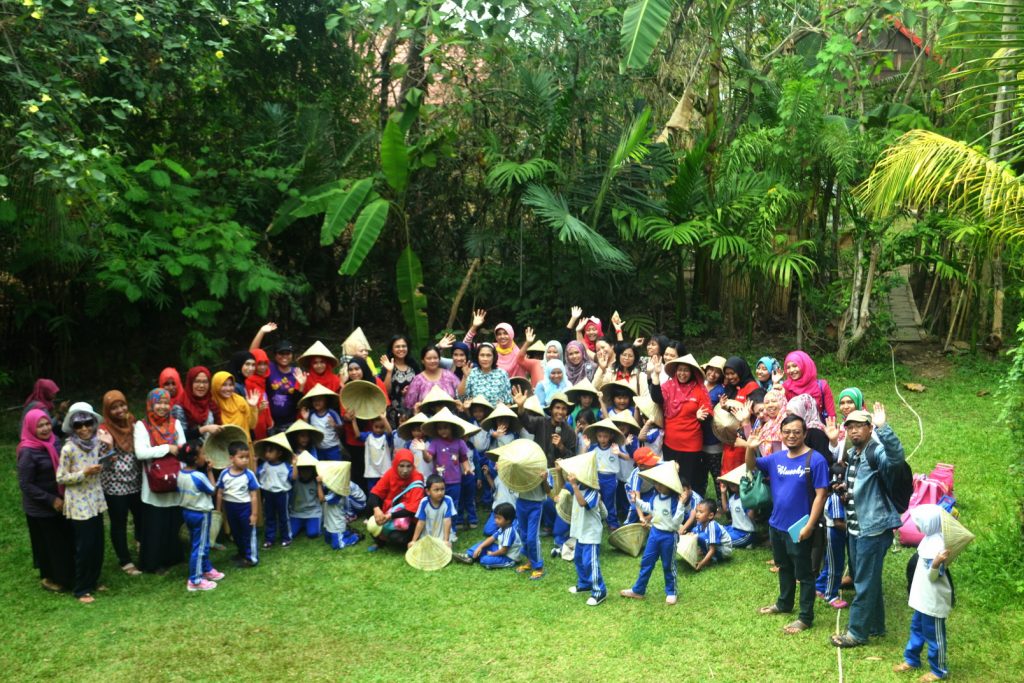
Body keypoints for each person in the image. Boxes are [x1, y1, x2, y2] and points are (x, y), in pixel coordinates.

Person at [746, 414, 829, 635]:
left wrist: (809, 526)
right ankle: (784, 603)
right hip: (776, 524)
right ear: (781, 434)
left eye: (796, 432)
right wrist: (749, 447)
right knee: (784, 566)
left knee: (804, 573)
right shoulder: (776, 458)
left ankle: (805, 617)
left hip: (799, 527)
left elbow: (821, 495)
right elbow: (752, 465)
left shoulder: (816, 460)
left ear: (804, 434)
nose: (791, 436)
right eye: (787, 432)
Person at [831, 403, 906, 649]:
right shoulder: (854, 455)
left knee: (863, 581)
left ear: (869, 428)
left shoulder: (877, 451)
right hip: (855, 528)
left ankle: (857, 633)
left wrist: (885, 428)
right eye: (849, 427)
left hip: (872, 529)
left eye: (859, 427)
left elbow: (896, 459)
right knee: (869, 579)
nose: (853, 432)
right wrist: (846, 490)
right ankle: (876, 625)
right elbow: (862, 485)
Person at [56, 402, 113, 603]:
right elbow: (61, 477)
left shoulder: (97, 443)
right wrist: (83, 473)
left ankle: (94, 581)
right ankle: (81, 588)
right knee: (85, 547)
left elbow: (107, 464)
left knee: (97, 544)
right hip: (79, 504)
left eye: (88, 423)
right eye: (78, 425)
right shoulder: (68, 449)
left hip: (95, 499)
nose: (84, 429)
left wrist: (110, 447)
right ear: (73, 428)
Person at [893, 505, 954, 682]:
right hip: (922, 598)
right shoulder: (929, 538)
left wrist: (935, 564)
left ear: (930, 524)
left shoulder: (939, 546)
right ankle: (912, 659)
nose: (917, 526)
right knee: (917, 628)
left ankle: (939, 670)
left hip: (932, 600)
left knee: (935, 636)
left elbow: (934, 577)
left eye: (920, 523)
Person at [17, 409, 75, 593]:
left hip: (61, 501)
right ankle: (52, 578)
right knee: (50, 544)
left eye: (47, 424)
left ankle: (67, 574)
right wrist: (51, 500)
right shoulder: (28, 451)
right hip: (41, 507)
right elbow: (26, 484)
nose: (45, 428)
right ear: (30, 428)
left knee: (64, 540)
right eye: (39, 426)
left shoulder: (54, 442)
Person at [133, 388, 185, 574]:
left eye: (165, 402)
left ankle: (173, 558)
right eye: (158, 402)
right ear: (150, 404)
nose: (162, 406)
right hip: (154, 482)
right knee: (156, 525)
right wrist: (167, 448)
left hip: (174, 479)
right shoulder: (142, 426)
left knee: (172, 522)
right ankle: (153, 563)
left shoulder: (175, 424)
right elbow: (141, 452)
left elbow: (183, 448)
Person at [648, 353, 712, 495]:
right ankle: (672, 506)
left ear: (692, 372)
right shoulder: (669, 386)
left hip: (691, 444)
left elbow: (707, 413)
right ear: (676, 371)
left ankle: (689, 509)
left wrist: (701, 417)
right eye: (680, 370)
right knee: (672, 477)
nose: (683, 373)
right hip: (670, 442)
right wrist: (656, 375)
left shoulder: (699, 390)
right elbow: (657, 398)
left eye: (686, 370)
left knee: (689, 479)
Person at [620, 478, 688, 604]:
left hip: (668, 536)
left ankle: (671, 592)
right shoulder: (656, 497)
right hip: (654, 533)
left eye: (662, 483)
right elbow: (649, 508)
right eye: (656, 483)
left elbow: (676, 522)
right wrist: (637, 502)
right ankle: (638, 590)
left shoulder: (674, 501)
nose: (658, 486)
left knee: (668, 564)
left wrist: (681, 504)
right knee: (647, 561)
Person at [98, 390, 143, 576]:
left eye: (122, 405)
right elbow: (101, 463)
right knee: (119, 523)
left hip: (136, 480)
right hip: (115, 485)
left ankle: (141, 546)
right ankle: (124, 560)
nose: (120, 410)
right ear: (108, 411)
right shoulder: (103, 430)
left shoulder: (132, 421)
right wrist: (108, 447)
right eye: (114, 408)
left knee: (140, 517)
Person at [176, 441, 223, 591]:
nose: (205, 456)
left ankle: (206, 569)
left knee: (200, 543)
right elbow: (212, 490)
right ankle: (195, 580)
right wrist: (209, 472)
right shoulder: (199, 476)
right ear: (196, 459)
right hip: (200, 514)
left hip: (187, 512)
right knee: (200, 546)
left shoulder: (181, 473)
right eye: (203, 453)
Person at [367, 449, 426, 550]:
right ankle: (380, 541)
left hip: (408, 517)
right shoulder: (391, 473)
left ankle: (393, 538)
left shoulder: (417, 478)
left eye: (408, 466)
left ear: (413, 466)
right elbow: (375, 493)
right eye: (401, 466)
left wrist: (391, 516)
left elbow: (414, 508)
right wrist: (377, 510)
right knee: (371, 510)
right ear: (395, 465)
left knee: (397, 539)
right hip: (389, 511)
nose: (405, 470)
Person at [564, 469, 606, 606]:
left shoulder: (593, 492)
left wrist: (574, 485)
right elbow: (563, 486)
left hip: (591, 533)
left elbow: (583, 503)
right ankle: (584, 584)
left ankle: (599, 591)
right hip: (580, 532)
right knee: (579, 559)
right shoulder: (579, 487)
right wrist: (560, 471)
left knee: (590, 562)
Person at [216, 442, 260, 568]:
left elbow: (254, 496)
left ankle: (252, 558)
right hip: (230, 508)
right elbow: (219, 493)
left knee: (248, 533)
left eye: (247, 457)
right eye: (241, 457)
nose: (245, 460)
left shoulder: (249, 475)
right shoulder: (224, 474)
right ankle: (242, 554)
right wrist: (218, 512)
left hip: (245, 508)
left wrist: (254, 514)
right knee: (236, 533)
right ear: (231, 458)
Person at [514, 387, 576, 467]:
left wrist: (561, 447)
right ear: (551, 410)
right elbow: (526, 421)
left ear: (567, 412)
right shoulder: (541, 422)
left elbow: (572, 456)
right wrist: (521, 407)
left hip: (557, 473)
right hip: (538, 469)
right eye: (557, 408)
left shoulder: (570, 431)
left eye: (564, 409)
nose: (560, 412)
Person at [453, 502, 522, 569]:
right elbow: (492, 538)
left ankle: (509, 563)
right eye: (495, 518)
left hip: (508, 557)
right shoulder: (503, 528)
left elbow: (504, 550)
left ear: (508, 520)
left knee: (485, 560)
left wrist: (492, 554)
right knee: (482, 544)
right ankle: (468, 555)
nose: (496, 520)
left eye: (499, 518)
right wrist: (480, 547)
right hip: (499, 549)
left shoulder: (509, 532)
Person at [256, 436, 294, 548]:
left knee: (284, 516)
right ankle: (269, 539)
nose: (267, 454)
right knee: (269, 516)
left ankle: (286, 538)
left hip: (282, 494)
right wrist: (254, 462)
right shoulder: (264, 465)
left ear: (279, 453)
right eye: (266, 451)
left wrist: (295, 465)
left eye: (270, 451)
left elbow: (293, 477)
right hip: (268, 494)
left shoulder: (285, 466)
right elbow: (256, 474)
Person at [777, 350, 835, 420]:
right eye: (788, 367)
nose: (791, 370)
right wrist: (777, 389)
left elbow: (831, 415)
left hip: (817, 428)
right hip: (793, 428)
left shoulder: (822, 386)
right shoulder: (785, 387)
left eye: (795, 366)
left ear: (804, 365)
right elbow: (778, 413)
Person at [815, 490, 848, 609]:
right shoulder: (835, 497)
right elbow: (838, 522)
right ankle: (830, 595)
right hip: (834, 533)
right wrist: (854, 528)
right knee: (835, 565)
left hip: (837, 532)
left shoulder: (840, 495)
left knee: (830, 562)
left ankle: (819, 586)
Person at [403, 345, 461, 411]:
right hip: (426, 419)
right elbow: (409, 405)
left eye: (435, 358)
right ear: (422, 361)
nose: (432, 361)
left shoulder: (449, 375)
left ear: (439, 359)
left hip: (450, 417)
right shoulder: (417, 380)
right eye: (429, 358)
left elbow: (461, 394)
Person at [172, 366, 221, 441]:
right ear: (190, 383)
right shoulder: (180, 406)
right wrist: (204, 429)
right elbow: (180, 436)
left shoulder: (211, 404)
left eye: (205, 382)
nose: (201, 386)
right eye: (197, 381)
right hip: (190, 450)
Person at [211, 371, 260, 442]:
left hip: (244, 447)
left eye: (231, 385)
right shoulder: (212, 405)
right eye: (224, 385)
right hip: (222, 449)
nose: (228, 388)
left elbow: (252, 425)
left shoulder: (240, 401)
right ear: (216, 385)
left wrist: (252, 407)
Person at [458, 343, 512, 408]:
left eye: (488, 355)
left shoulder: (502, 374)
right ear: (477, 357)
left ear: (494, 357)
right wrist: (465, 376)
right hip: (477, 415)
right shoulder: (471, 373)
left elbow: (508, 401)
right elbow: (461, 397)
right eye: (482, 355)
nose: (485, 359)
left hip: (497, 415)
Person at [409, 474, 455, 546]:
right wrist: (413, 541)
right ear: (427, 491)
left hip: (442, 535)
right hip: (427, 535)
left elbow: (447, 521)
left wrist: (446, 540)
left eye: (442, 489)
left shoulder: (448, 500)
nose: (440, 492)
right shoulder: (424, 502)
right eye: (436, 490)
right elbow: (421, 522)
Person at [691, 499, 733, 570]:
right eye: (697, 511)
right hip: (716, 547)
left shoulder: (712, 526)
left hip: (723, 550)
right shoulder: (700, 524)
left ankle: (711, 559)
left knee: (701, 536)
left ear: (710, 515)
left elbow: (712, 549)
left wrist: (702, 563)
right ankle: (704, 552)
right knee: (694, 532)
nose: (697, 514)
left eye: (701, 512)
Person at [290, 452, 324, 539]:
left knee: (313, 534)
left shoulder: (316, 481)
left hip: (313, 512)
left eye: (308, 469)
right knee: (291, 534)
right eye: (303, 469)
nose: (305, 472)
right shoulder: (294, 479)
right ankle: (303, 524)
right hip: (296, 512)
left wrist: (319, 484)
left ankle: (309, 524)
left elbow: (321, 499)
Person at [246, 349, 274, 440]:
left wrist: (269, 421)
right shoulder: (249, 382)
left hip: (265, 426)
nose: (263, 367)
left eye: (265, 363)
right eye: (259, 364)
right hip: (255, 427)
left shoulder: (262, 380)